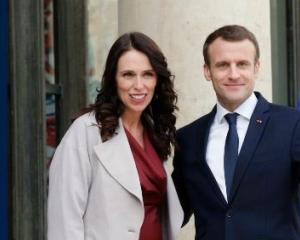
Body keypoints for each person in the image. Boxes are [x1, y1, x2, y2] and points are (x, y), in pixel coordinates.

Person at [48, 32, 183, 240]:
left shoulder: (155, 130)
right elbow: (65, 219)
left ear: (158, 79)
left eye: (148, 74)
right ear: (113, 79)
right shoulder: (86, 131)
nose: (139, 85)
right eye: (128, 74)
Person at [172, 24, 300, 240]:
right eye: (223, 65)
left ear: (256, 67)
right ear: (207, 71)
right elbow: (173, 212)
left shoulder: (292, 125)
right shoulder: (188, 138)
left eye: (242, 64)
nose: (233, 74)